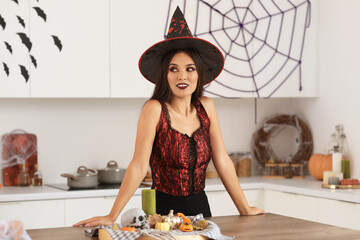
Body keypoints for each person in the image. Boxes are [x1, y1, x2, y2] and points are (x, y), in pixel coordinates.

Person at [74, 7, 264, 228]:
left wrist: (244, 208)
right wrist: (112, 215)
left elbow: (222, 160)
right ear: (164, 74)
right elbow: (138, 165)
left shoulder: (207, 107)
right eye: (174, 69)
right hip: (161, 214)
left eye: (190, 69)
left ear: (198, 73)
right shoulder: (154, 110)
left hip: (201, 211)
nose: (182, 76)